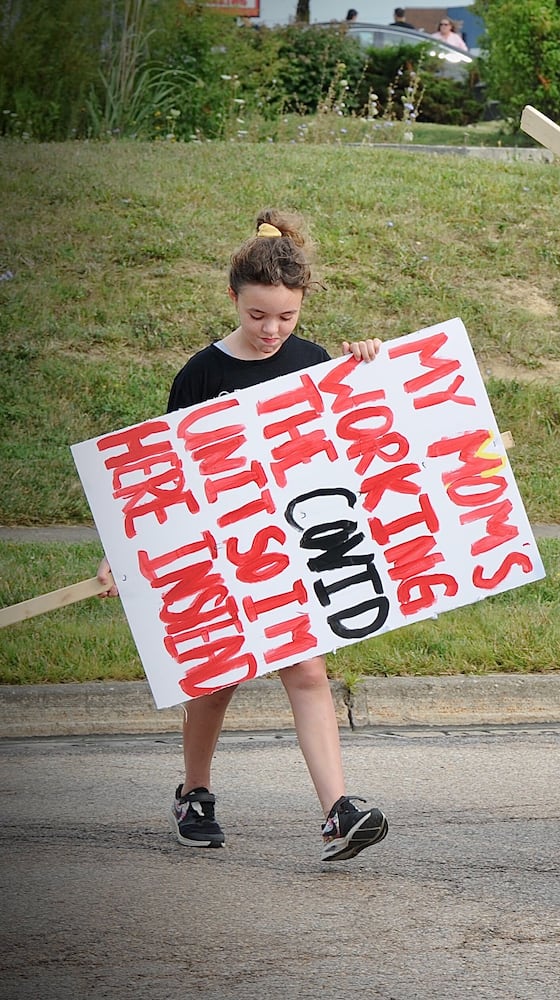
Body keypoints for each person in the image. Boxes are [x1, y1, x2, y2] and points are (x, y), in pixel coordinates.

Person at [96, 210, 389, 863]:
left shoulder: (316, 363)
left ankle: (338, 811)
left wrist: (367, 365)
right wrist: (123, 551)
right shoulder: (201, 374)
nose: (271, 330)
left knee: (309, 673)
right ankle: (194, 795)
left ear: (302, 305)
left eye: (285, 317)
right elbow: (159, 476)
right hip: (216, 551)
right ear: (234, 298)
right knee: (215, 681)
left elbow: (358, 436)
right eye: (258, 316)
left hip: (294, 550)